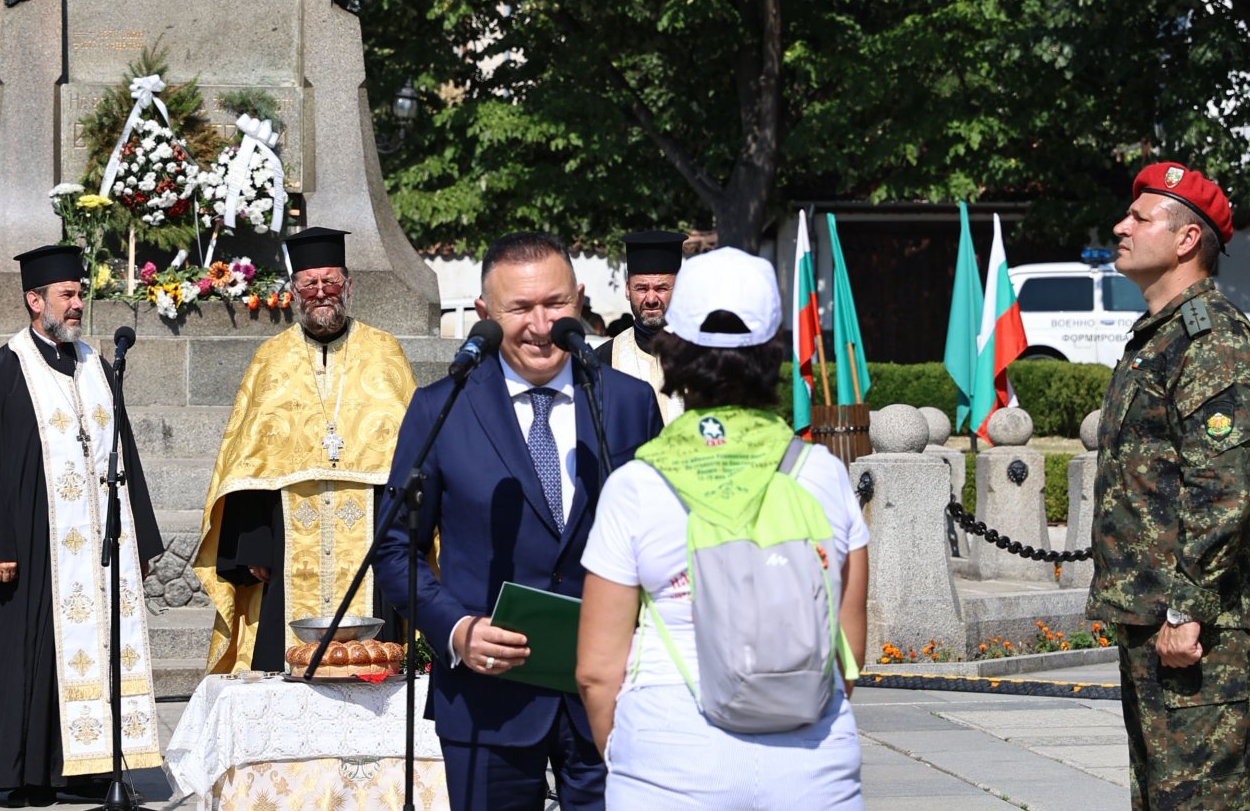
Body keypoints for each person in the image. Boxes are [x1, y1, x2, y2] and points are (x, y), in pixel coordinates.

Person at [375, 230, 664, 811]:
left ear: (579, 300)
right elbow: (393, 549)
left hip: (613, 697)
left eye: (555, 304)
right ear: (485, 314)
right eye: (520, 309)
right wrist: (457, 630)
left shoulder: (628, 403)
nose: (540, 324)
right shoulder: (442, 407)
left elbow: (666, 540)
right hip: (488, 701)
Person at [576, 246, 868, 810]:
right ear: (775, 354)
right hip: (812, 759)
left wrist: (636, 754)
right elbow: (847, 651)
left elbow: (595, 671)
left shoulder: (637, 486)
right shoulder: (825, 477)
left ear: (672, 350)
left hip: (669, 754)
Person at [0, 242, 164, 807]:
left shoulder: (96, 364)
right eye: (67, 295)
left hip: (97, 547)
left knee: (95, 653)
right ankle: (22, 773)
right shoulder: (3, 368)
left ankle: (89, 767)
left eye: (80, 293)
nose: (77, 305)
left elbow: (123, 454)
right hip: (30, 546)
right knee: (26, 655)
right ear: (33, 299)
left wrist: (136, 533)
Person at [1089, 162, 1250, 811]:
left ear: (1188, 238)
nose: (1121, 226)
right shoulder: (1161, 336)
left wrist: (1184, 609)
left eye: (1140, 217)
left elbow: (1220, 488)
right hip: (1154, 615)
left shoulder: (1212, 338)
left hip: (1195, 626)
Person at [194, 226, 416, 671]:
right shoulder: (271, 358)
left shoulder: (383, 351)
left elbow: (413, 454)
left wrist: (405, 535)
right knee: (282, 662)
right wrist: (254, 546)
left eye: (330, 282)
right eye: (309, 284)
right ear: (294, 291)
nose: (321, 293)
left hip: (373, 532)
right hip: (284, 536)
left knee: (376, 657)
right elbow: (247, 460)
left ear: (348, 286)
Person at [597, 232, 686, 425]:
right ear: (628, 290)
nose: (651, 299)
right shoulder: (603, 359)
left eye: (661, 288)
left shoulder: (702, 355)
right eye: (642, 289)